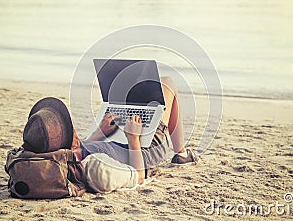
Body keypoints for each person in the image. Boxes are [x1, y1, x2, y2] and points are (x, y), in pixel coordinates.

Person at [71, 77, 199, 185]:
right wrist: (133, 138)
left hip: (112, 139)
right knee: (167, 84)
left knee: (144, 91)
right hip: (144, 152)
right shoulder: (95, 167)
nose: (74, 132)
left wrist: (99, 133)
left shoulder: (67, 153)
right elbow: (139, 176)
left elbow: (78, 149)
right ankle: (181, 155)